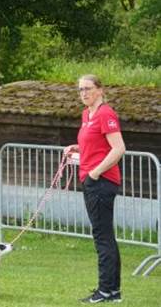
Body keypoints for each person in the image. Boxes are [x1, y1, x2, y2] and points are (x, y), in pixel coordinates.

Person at [64, 74, 125, 304]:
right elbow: (94, 143)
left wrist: (95, 172)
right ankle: (113, 291)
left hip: (100, 182)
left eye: (88, 89)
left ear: (100, 90)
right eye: (80, 89)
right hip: (91, 179)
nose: (83, 93)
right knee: (105, 235)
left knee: (102, 237)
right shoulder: (86, 114)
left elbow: (118, 148)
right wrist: (76, 147)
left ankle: (106, 290)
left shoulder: (106, 113)